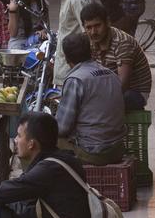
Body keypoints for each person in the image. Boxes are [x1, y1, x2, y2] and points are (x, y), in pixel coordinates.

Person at [53, 30, 125, 165]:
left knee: (36, 141)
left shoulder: (75, 79)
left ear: (67, 58)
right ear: (90, 52)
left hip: (94, 152)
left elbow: (62, 128)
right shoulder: (110, 74)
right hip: (117, 149)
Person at [81, 3, 152, 111]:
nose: (93, 32)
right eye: (89, 27)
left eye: (97, 26)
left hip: (133, 92)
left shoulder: (122, 42)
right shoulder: (89, 40)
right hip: (107, 86)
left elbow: (122, 84)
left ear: (107, 23)